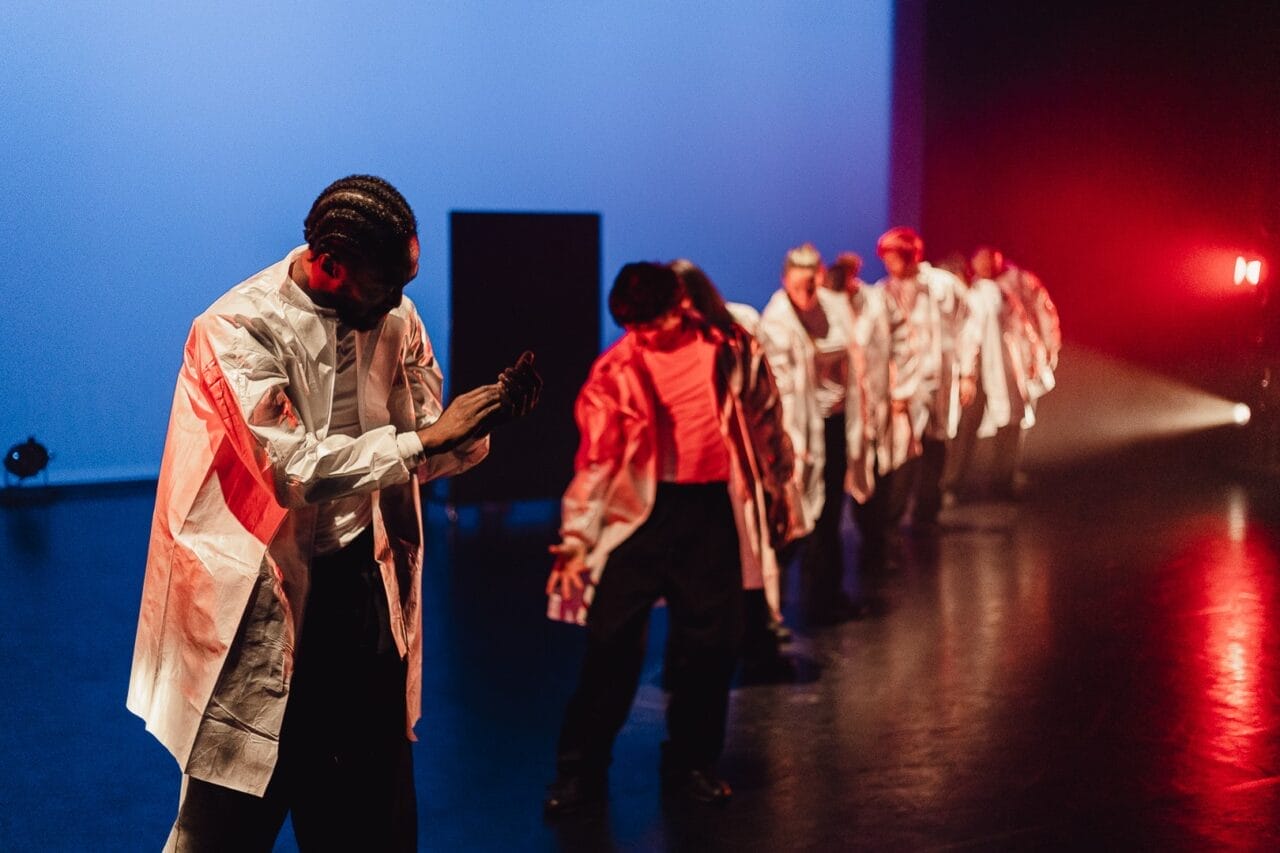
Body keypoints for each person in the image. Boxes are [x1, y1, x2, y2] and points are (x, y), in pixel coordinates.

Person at [127, 175, 541, 851]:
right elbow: (291, 469)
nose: (400, 304)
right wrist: (426, 439)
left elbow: (421, 448)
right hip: (255, 605)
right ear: (332, 263)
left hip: (358, 601)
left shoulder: (393, 319)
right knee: (224, 824)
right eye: (386, 287)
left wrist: (475, 423)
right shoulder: (235, 329)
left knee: (371, 823)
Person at [543, 262, 793, 815]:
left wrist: (780, 494)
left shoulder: (730, 348)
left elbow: (767, 421)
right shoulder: (617, 370)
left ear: (680, 305)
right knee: (609, 647)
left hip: (709, 510)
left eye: (651, 325)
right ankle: (579, 773)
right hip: (640, 514)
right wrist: (577, 536)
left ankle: (692, 765)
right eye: (633, 327)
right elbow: (597, 462)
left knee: (710, 648)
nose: (643, 337)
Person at [670, 258, 797, 656]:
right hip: (686, 472)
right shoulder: (663, 346)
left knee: (748, 556)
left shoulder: (736, 339)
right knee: (693, 567)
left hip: (733, 470)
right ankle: (695, 646)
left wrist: (777, 470)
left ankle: (754, 636)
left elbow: (765, 407)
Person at [759, 243, 866, 624]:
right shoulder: (775, 321)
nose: (806, 292)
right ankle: (772, 610)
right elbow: (780, 385)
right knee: (791, 517)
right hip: (795, 432)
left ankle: (826, 595)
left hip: (832, 423)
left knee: (830, 513)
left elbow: (852, 355)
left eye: (812, 282)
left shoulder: (833, 309)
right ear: (786, 280)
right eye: (799, 283)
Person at [875, 227, 979, 529]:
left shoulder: (944, 286)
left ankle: (926, 511)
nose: (889, 265)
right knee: (905, 447)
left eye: (894, 258)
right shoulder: (884, 292)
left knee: (936, 443)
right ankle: (892, 516)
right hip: (907, 384)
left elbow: (967, 328)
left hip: (942, 377)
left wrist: (967, 374)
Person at [826, 252, 917, 570]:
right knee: (852, 476)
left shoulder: (877, 301)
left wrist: (902, 389)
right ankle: (863, 545)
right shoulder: (826, 308)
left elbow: (904, 339)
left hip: (880, 403)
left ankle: (880, 543)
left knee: (883, 473)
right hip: (844, 411)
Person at [966, 246, 1059, 496]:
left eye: (988, 260)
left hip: (1018, 360)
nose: (984, 266)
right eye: (979, 261)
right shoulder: (973, 288)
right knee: (972, 420)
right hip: (980, 364)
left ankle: (1004, 477)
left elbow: (1044, 313)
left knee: (1015, 417)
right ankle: (963, 481)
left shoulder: (1021, 281)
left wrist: (1047, 348)